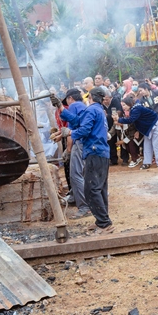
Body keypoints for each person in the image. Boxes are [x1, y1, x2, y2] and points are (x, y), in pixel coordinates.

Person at [73, 87, 114, 235]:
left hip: (94, 151)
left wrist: (71, 133)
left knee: (91, 189)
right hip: (102, 152)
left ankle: (104, 223)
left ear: (90, 97)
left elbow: (84, 130)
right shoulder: (100, 110)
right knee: (100, 188)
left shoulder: (91, 110)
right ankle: (102, 221)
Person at [59, 88, 91, 218]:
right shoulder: (83, 106)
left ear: (70, 98)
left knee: (75, 174)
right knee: (82, 173)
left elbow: (71, 131)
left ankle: (84, 206)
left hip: (79, 142)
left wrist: (68, 150)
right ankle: (74, 197)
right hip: (86, 143)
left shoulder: (74, 105)